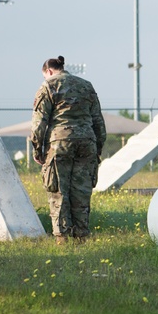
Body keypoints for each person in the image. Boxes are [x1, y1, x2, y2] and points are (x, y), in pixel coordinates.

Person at [30, 56, 106, 244]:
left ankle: (62, 239)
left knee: (59, 191)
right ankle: (81, 237)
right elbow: (98, 122)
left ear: (48, 71)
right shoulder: (86, 85)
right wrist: (97, 148)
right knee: (81, 191)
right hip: (86, 142)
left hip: (59, 143)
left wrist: (37, 149)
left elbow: (39, 123)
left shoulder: (48, 86)